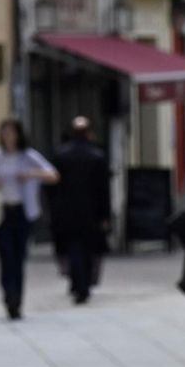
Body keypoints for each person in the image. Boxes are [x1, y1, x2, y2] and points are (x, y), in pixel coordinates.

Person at [0, 118, 58, 320]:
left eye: (12, 132)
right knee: (6, 255)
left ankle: (17, 301)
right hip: (1, 211)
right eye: (5, 132)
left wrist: (31, 174)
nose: (8, 136)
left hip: (22, 211)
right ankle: (8, 295)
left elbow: (53, 175)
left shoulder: (28, 156)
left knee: (18, 256)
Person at [49, 116, 112, 305]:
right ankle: (83, 283)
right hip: (91, 212)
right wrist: (105, 214)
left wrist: (53, 210)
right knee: (87, 249)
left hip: (67, 211)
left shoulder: (61, 156)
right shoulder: (97, 157)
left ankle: (78, 283)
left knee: (73, 248)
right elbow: (103, 189)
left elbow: (53, 188)